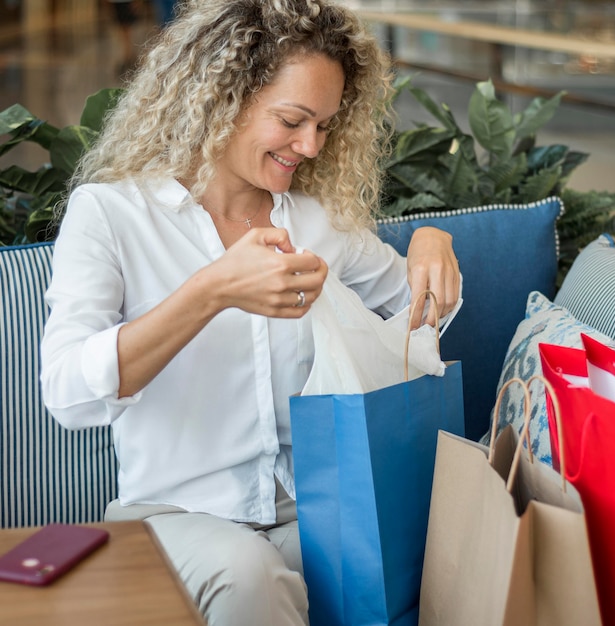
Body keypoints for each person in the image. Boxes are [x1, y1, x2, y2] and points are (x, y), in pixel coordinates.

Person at [40, 0, 460, 624]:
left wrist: (431, 242)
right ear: (222, 98)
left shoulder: (314, 223)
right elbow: (68, 394)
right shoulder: (111, 216)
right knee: (250, 574)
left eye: (323, 124)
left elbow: (420, 314)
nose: (311, 145)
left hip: (304, 512)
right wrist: (211, 291)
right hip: (174, 517)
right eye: (292, 120)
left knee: (431, 550)